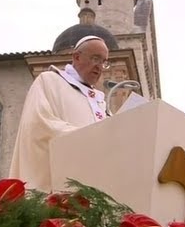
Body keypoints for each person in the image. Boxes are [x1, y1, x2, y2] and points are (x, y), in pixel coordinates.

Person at [8, 35, 110, 193]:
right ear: (76, 57)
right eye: (95, 58)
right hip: (58, 186)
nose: (100, 66)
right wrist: (88, 136)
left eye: (104, 62)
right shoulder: (49, 81)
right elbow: (38, 123)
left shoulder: (100, 102)